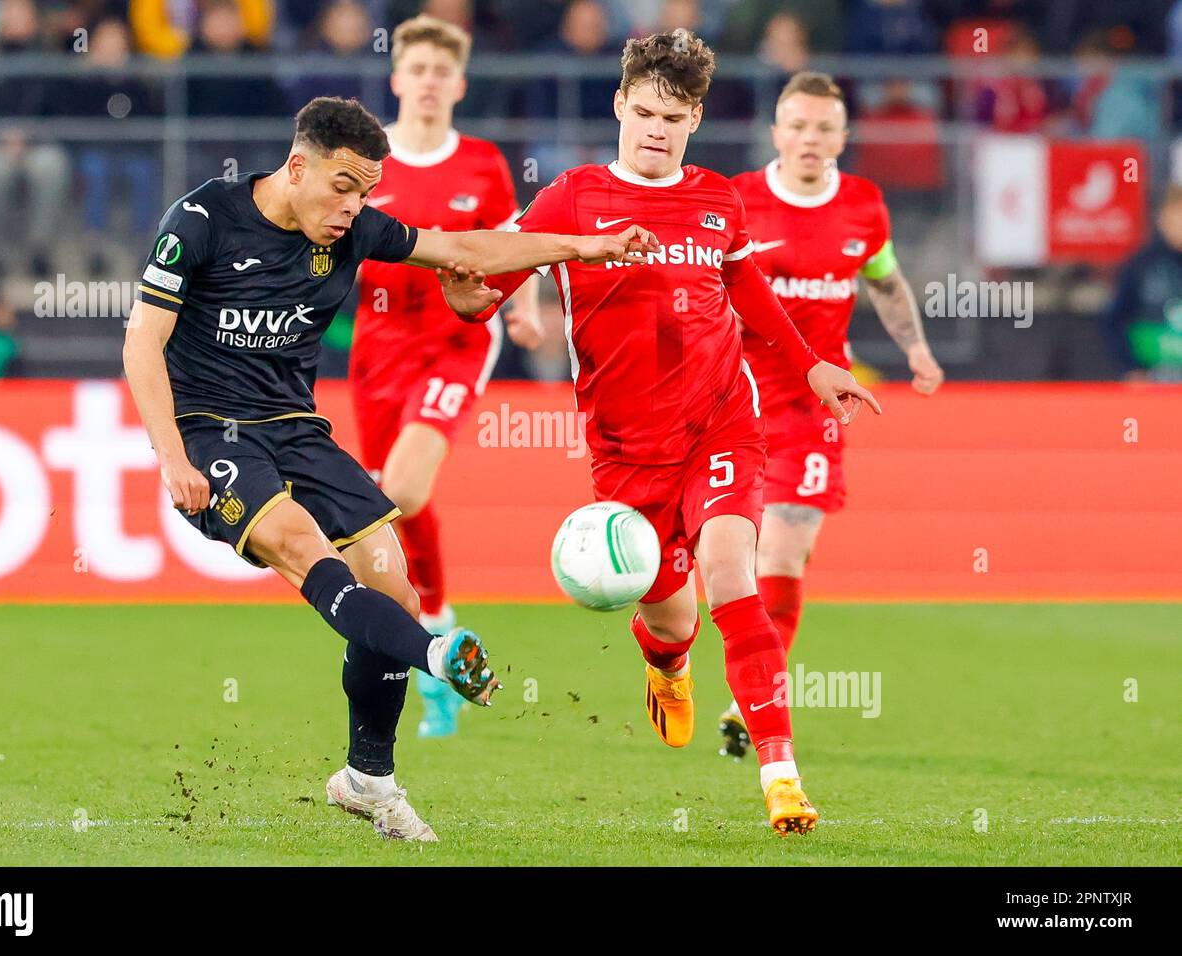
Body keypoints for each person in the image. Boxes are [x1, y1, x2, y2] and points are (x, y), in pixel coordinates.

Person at [122, 95, 656, 842]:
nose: (354, 207)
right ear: (298, 166)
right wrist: (171, 456)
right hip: (213, 435)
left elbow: (466, 250)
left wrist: (580, 248)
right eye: (343, 187)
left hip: (300, 432)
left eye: (366, 191)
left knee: (391, 585)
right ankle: (440, 652)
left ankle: (367, 779)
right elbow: (142, 341)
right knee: (306, 550)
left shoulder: (356, 230)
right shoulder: (203, 220)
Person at [440, 30, 878, 836]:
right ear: (619, 105)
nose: (655, 129)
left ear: (695, 120)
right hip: (623, 453)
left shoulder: (717, 198)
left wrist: (812, 364)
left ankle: (781, 775)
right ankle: (667, 667)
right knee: (674, 621)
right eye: (643, 111)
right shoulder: (572, 197)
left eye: (672, 117)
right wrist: (469, 298)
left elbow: (748, 290)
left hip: (720, 422)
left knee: (732, 581)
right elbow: (487, 286)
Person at [717, 71, 944, 757]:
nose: (811, 139)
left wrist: (917, 349)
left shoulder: (864, 208)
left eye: (824, 128)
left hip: (814, 406)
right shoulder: (738, 201)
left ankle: (749, 698)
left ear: (843, 137)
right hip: (729, 396)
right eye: (799, 125)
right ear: (777, 132)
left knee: (788, 548)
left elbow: (886, 281)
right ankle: (689, 660)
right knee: (725, 559)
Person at [349, 15, 543, 738]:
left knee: (399, 489)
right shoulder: (365, 161)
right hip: (376, 348)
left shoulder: (483, 164)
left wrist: (519, 310)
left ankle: (432, 636)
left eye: (442, 73)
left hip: (455, 341)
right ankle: (437, 634)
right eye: (417, 71)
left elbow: (509, 247)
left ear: (458, 85)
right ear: (396, 80)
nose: (429, 84)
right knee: (386, 509)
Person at [1100, 184, 1182, 382]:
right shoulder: (1141, 263)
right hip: (1154, 375)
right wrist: (1131, 367)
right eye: (1177, 216)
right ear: (1163, 218)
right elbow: (1113, 319)